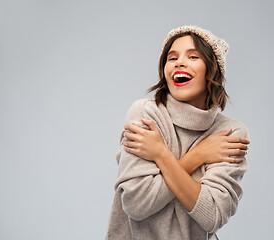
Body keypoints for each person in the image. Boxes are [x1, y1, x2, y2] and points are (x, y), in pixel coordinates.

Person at [106, 25, 250, 240]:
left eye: (193, 56)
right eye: (172, 58)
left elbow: (212, 215)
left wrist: (160, 155)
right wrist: (198, 155)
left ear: (213, 70)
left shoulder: (229, 133)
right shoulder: (146, 114)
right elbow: (137, 204)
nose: (179, 62)